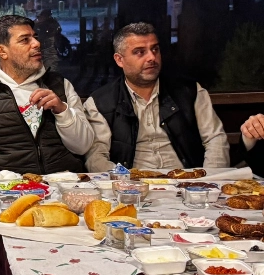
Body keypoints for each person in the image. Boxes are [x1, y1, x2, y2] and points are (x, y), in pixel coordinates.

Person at [84, 22, 230, 171]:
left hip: (188, 180)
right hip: (131, 182)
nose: (152, 57)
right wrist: (124, 179)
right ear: (119, 60)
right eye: (140, 52)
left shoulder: (189, 92)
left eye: (155, 49)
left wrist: (207, 179)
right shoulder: (100, 103)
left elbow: (215, 140)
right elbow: (96, 158)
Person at [0, 15, 93, 175]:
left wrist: (62, 110)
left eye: (35, 37)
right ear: (2, 51)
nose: (37, 44)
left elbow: (83, 147)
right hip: (8, 186)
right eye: (25, 40)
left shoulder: (60, 86)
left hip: (63, 183)